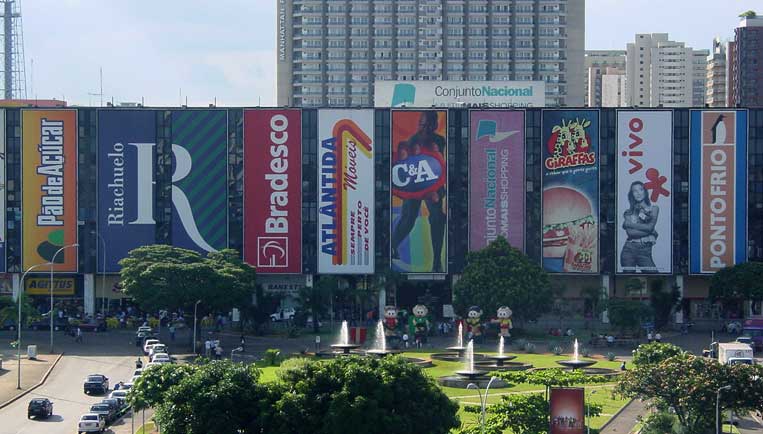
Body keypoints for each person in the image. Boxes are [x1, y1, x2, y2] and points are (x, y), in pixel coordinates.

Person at [391, 111, 447, 273]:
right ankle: (392, 247)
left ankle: (437, 261)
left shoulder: (438, 140)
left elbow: (438, 162)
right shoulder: (412, 141)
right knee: (408, 218)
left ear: (434, 125)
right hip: (415, 184)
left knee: (437, 218)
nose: (424, 128)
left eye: (428, 125)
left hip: (432, 183)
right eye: (422, 125)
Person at [621, 181, 660, 273]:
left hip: (644, 250)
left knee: (655, 276)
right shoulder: (628, 212)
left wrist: (627, 224)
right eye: (634, 191)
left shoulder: (654, 208)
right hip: (629, 249)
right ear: (632, 194)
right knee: (627, 280)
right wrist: (652, 232)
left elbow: (650, 228)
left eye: (641, 189)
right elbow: (631, 233)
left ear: (645, 192)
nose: (638, 193)